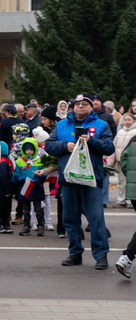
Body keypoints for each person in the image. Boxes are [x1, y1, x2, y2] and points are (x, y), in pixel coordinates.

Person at [46, 92, 116, 270]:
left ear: (92, 107)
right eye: (78, 104)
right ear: (73, 107)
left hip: (92, 180)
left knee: (96, 219)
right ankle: (75, 253)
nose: (80, 107)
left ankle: (101, 256)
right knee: (70, 219)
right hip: (69, 179)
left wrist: (91, 141)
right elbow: (49, 146)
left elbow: (109, 148)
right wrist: (65, 146)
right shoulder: (62, 125)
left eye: (85, 104)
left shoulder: (101, 125)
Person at [12, 137, 46, 236]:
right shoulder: (19, 161)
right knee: (26, 210)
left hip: (36, 187)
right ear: (23, 150)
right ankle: (26, 226)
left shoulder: (40, 161)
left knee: (38, 209)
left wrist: (38, 179)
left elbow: (44, 173)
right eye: (27, 150)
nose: (29, 152)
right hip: (25, 188)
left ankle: (40, 226)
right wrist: (20, 178)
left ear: (35, 150)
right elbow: (15, 173)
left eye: (31, 150)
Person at [115, 131, 136, 277]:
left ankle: (127, 257)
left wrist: (132, 176)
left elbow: (123, 158)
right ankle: (127, 256)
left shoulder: (134, 138)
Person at [113, 113, 136, 207]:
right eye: (125, 120)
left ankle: (129, 201)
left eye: (129, 120)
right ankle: (121, 199)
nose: (127, 122)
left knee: (130, 183)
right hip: (121, 161)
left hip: (130, 162)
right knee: (122, 182)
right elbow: (115, 144)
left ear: (134, 121)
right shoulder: (120, 132)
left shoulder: (134, 132)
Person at [0, 141, 14, 234]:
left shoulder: (1, 161)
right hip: (2, 190)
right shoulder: (3, 162)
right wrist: (8, 189)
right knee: (3, 207)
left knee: (3, 207)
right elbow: (3, 177)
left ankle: (5, 224)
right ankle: (0, 223)